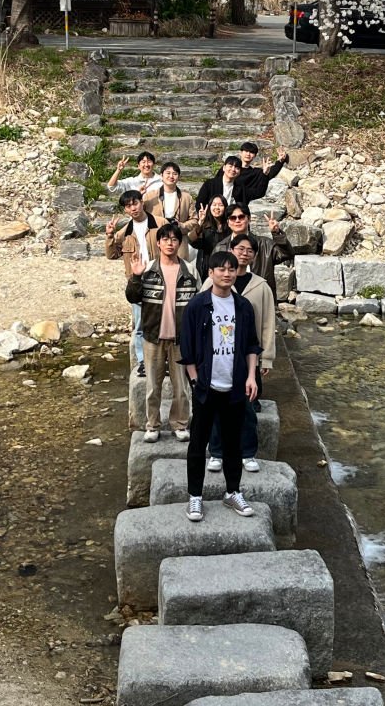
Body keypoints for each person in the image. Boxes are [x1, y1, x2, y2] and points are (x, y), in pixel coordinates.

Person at [180, 250, 262, 522]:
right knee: (198, 443)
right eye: (222, 269)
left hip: (235, 385)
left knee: (233, 443)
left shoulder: (243, 306)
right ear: (210, 273)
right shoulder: (197, 305)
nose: (227, 274)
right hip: (206, 386)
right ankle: (195, 496)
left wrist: (251, 376)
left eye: (232, 269)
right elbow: (187, 348)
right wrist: (195, 380)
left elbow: (251, 345)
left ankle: (233, 492)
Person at [204, 233, 276, 476]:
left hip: (247, 357)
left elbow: (267, 324)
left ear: (254, 256)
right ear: (231, 249)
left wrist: (266, 358)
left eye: (249, 250)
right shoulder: (213, 281)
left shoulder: (261, 286)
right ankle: (217, 452)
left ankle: (247, 453)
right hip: (217, 356)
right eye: (240, 249)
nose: (244, 253)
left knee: (247, 408)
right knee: (216, 407)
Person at [125, 222, 199, 443]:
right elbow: (132, 297)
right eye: (165, 239)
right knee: (152, 386)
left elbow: (198, 303)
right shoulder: (148, 269)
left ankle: (180, 424)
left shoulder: (189, 270)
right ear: (158, 243)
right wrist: (135, 277)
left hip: (181, 338)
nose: (170, 243)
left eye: (174, 239)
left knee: (181, 387)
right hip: (153, 337)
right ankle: (152, 425)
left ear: (179, 243)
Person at [105, 188, 155, 379]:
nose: (133, 208)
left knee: (162, 321)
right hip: (137, 282)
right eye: (128, 206)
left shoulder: (159, 224)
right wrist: (110, 236)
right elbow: (112, 255)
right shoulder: (124, 232)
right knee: (140, 324)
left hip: (158, 279)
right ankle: (142, 361)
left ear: (142, 202)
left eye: (135, 203)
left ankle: (163, 359)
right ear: (125, 210)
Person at [213, 203, 293, 299]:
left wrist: (276, 233)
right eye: (233, 218)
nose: (237, 220)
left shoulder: (264, 244)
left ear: (249, 219)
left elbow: (286, 254)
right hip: (228, 297)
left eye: (241, 217)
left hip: (259, 296)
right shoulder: (220, 248)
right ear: (228, 222)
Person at [144, 161, 197, 259]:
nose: (171, 176)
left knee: (179, 267)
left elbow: (194, 220)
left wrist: (182, 225)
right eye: (168, 173)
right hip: (156, 240)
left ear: (178, 177)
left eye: (175, 174)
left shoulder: (186, 198)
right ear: (161, 175)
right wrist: (139, 196)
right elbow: (139, 214)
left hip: (179, 241)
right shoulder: (150, 196)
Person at [187, 194, 230, 280]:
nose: (217, 208)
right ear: (210, 207)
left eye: (220, 205)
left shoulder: (230, 226)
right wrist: (200, 222)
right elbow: (192, 241)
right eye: (214, 205)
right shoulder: (205, 227)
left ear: (225, 207)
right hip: (208, 269)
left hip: (227, 267)